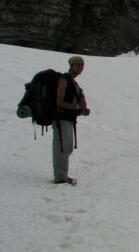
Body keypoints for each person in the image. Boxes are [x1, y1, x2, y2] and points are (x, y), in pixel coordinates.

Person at [53, 56, 90, 185]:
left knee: (67, 148)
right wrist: (77, 107)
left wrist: (82, 109)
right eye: (77, 64)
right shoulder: (64, 80)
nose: (80, 67)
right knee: (61, 147)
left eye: (82, 65)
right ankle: (60, 178)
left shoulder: (75, 84)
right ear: (71, 65)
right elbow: (58, 101)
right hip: (61, 118)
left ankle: (62, 175)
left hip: (69, 118)